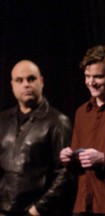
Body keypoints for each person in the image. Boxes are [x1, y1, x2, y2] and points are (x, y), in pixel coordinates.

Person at [60, 45, 105, 216]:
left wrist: (104, 159)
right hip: (83, 206)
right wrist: (69, 158)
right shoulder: (82, 112)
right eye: (87, 76)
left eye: (98, 77)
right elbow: (78, 166)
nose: (90, 82)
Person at [0, 60, 74, 216]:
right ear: (12, 85)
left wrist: (38, 209)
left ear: (41, 82)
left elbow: (66, 172)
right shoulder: (3, 120)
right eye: (20, 80)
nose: (26, 84)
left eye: (31, 79)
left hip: (38, 212)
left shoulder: (58, 122)